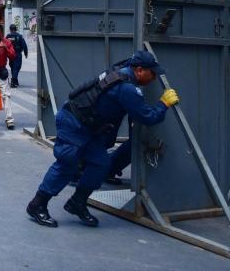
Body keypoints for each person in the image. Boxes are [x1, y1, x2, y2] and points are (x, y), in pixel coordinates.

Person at [26, 50, 180, 228]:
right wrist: (163, 104)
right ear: (139, 70)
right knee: (67, 164)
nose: (153, 78)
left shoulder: (122, 69)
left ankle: (77, 202)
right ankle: (37, 204)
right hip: (73, 122)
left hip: (88, 127)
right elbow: (149, 117)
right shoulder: (127, 88)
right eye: (152, 73)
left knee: (101, 164)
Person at [5, 24, 29, 88]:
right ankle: (13, 81)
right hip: (17, 54)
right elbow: (24, 45)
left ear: (10, 29)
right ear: (15, 29)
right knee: (17, 68)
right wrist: (26, 53)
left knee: (13, 67)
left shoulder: (8, 36)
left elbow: (4, 44)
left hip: (10, 54)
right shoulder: (19, 36)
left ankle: (15, 81)